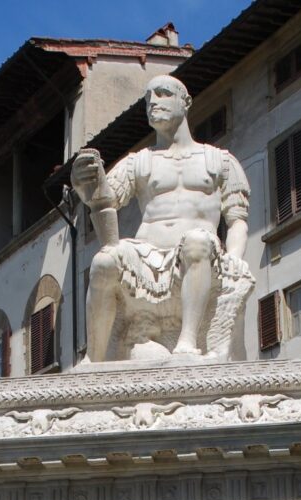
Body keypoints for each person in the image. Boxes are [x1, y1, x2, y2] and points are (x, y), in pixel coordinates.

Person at [71, 75, 254, 362]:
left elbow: (237, 219)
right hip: (148, 261)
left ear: (186, 102)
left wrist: (234, 256)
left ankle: (188, 342)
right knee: (103, 261)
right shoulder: (139, 161)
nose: (154, 102)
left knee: (197, 242)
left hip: (198, 258)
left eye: (164, 93)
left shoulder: (220, 161)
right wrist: (85, 182)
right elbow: (104, 198)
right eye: (148, 98)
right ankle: (94, 361)